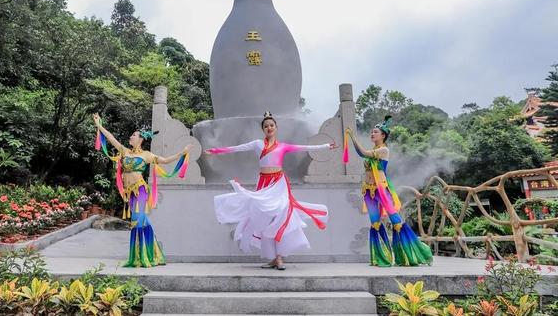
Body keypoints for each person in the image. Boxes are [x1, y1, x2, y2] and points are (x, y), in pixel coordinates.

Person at [206, 111, 336, 270]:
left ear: (276, 127)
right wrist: (215, 151)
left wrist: (325, 146)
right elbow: (237, 148)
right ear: (263, 129)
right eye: (266, 126)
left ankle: (280, 257)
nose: (269, 127)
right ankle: (273, 258)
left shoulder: (283, 146)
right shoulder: (257, 144)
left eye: (271, 125)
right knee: (264, 218)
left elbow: (304, 147)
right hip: (264, 183)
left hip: (279, 183)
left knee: (281, 216)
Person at [93, 113, 191, 268]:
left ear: (140, 139)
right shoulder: (124, 151)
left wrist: (182, 153)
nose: (130, 137)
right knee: (141, 221)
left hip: (140, 190)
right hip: (129, 193)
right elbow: (111, 139)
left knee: (137, 221)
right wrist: (99, 125)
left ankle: (142, 257)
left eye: (134, 135)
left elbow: (164, 161)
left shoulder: (147, 155)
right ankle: (147, 255)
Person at [344, 115, 432, 266]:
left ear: (383, 135)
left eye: (375, 132)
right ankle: (381, 258)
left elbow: (362, 153)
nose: (372, 134)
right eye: (371, 132)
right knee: (375, 223)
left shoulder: (384, 150)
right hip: (368, 190)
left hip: (382, 189)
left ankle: (407, 256)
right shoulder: (375, 150)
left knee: (396, 221)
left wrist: (352, 136)